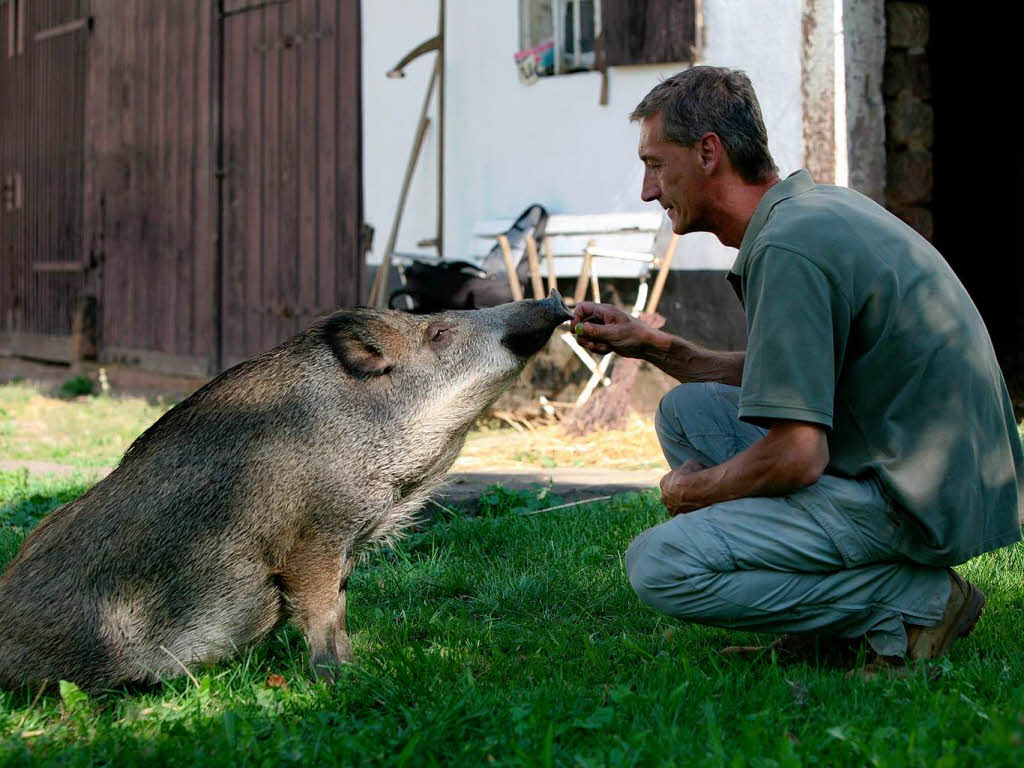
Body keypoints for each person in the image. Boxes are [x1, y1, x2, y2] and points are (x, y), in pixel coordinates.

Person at [572, 66, 1023, 666]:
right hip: (936, 474)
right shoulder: (811, 211)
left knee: (660, 565)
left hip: (913, 498)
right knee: (687, 412)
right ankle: (824, 620)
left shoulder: (788, 248)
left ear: (709, 153)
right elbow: (794, 378)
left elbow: (796, 453)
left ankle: (914, 600)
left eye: (655, 164)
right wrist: (654, 347)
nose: (647, 191)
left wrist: (693, 491)